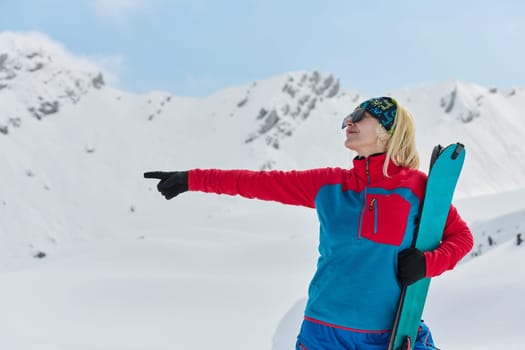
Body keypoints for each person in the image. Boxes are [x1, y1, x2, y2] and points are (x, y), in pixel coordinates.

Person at [144, 96, 473, 349]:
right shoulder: (330, 185)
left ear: (388, 131)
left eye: (361, 117)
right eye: (348, 117)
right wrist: (191, 179)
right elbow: (258, 182)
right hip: (322, 334)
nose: (350, 122)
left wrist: (427, 263)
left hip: (388, 333)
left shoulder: (417, 188)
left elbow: (461, 238)